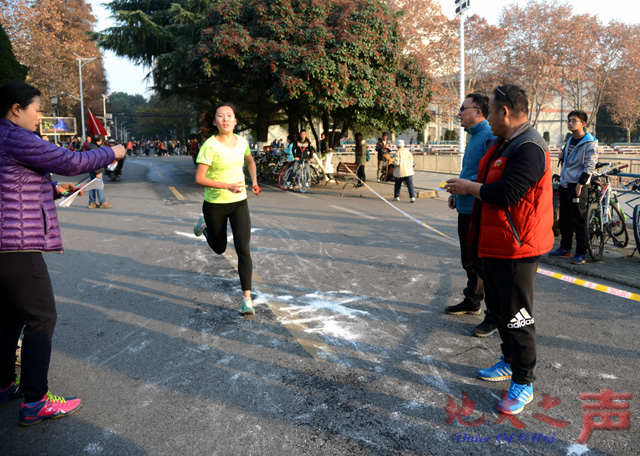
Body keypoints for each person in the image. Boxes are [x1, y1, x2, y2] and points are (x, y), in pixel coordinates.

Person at [0, 81, 126, 426]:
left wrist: (54, 188)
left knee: (11, 316)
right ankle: (36, 401)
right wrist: (113, 152)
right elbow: (71, 160)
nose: (40, 116)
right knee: (42, 318)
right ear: (16, 109)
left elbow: (13, 181)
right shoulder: (16, 137)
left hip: (4, 246)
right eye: (37, 109)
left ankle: (3, 383)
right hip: (16, 244)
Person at [445, 84, 553, 415]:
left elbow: (506, 193)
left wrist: (468, 188)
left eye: (490, 110)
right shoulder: (504, 142)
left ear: (504, 112)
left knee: (518, 317)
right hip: (493, 244)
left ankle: (523, 382)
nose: (487, 117)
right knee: (499, 310)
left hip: (517, 249)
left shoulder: (530, 147)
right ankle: (507, 361)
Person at [193, 102, 260, 315]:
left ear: (235, 120)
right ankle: (203, 226)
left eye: (229, 115)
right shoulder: (209, 146)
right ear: (214, 122)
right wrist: (226, 186)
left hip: (239, 202)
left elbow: (250, 161)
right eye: (220, 116)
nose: (225, 119)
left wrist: (255, 181)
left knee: (243, 249)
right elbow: (199, 178)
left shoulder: (242, 142)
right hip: (215, 204)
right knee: (220, 248)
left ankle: (246, 300)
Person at [446, 93, 498, 338]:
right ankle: (472, 300)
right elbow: (470, 170)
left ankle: (494, 316)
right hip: (465, 207)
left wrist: (466, 185)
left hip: (479, 208)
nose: (459, 113)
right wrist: (457, 191)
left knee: (483, 264)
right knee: (468, 259)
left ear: (478, 111)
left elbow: (491, 176)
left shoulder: (488, 135)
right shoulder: (472, 137)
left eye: (462, 108)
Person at [548, 110, 598, 265]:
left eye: (573, 120)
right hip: (565, 183)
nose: (570, 123)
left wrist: (580, 184)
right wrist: (563, 158)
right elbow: (571, 161)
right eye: (568, 120)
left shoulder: (589, 142)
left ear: (583, 124)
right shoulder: (570, 139)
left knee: (578, 220)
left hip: (578, 186)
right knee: (564, 219)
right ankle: (565, 249)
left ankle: (581, 253)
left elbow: (590, 165)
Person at [85, 134, 113, 208]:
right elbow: (94, 162)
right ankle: (102, 202)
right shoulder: (94, 148)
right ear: (100, 140)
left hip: (91, 169)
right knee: (99, 186)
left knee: (93, 186)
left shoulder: (90, 146)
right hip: (96, 170)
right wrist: (97, 172)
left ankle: (92, 202)